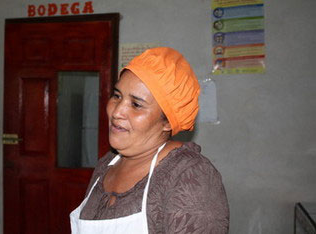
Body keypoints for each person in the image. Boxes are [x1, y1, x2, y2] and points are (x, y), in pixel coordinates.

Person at [70, 47, 229, 234]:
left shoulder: (189, 175)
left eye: (136, 104)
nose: (117, 111)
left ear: (168, 122)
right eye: (117, 96)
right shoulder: (107, 164)